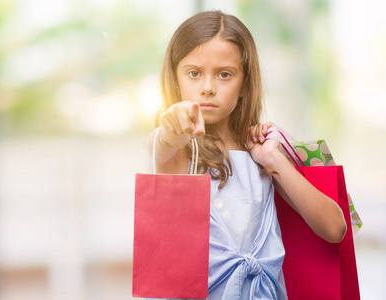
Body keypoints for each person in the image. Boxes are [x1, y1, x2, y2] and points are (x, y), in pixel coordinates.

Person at [146, 10, 346, 300]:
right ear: (175, 79)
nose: (207, 88)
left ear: (244, 85)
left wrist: (273, 160)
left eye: (224, 74)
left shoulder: (259, 154)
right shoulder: (174, 150)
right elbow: (164, 143)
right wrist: (171, 132)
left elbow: (335, 228)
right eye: (194, 73)